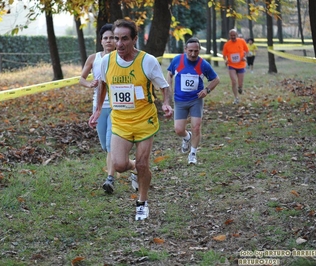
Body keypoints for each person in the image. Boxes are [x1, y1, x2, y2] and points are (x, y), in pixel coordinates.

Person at [88, 19, 173, 221]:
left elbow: (163, 86)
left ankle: (142, 203)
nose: (119, 43)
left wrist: (166, 103)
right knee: (118, 165)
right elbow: (102, 86)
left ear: (134, 39)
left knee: (144, 164)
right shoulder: (106, 61)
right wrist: (98, 110)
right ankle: (135, 167)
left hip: (144, 120)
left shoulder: (147, 61)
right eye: (116, 39)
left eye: (124, 39)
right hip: (120, 121)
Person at [80, 24, 123, 194]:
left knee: (112, 144)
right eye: (106, 38)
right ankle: (131, 164)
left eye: (112, 37)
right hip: (99, 106)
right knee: (105, 147)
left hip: (116, 106)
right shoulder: (94, 58)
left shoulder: (121, 58)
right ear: (101, 41)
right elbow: (81, 78)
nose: (109, 40)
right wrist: (90, 84)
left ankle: (110, 179)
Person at [167, 37, 220, 165]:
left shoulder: (203, 64)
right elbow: (169, 73)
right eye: (190, 51)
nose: (193, 54)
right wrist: (169, 89)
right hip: (179, 100)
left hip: (196, 100)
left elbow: (216, 79)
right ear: (185, 49)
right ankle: (187, 137)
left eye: (196, 51)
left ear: (199, 50)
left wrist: (207, 90)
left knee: (196, 127)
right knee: (179, 130)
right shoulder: (177, 60)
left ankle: (193, 154)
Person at [222, 29, 249, 105]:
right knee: (234, 81)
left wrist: (245, 57)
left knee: (240, 83)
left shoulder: (241, 41)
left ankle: (240, 88)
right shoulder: (227, 44)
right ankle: (236, 98)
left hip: (241, 65)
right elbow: (224, 56)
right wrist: (226, 60)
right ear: (229, 36)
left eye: (234, 35)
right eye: (231, 35)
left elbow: (247, 51)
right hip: (231, 65)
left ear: (236, 35)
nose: (233, 37)